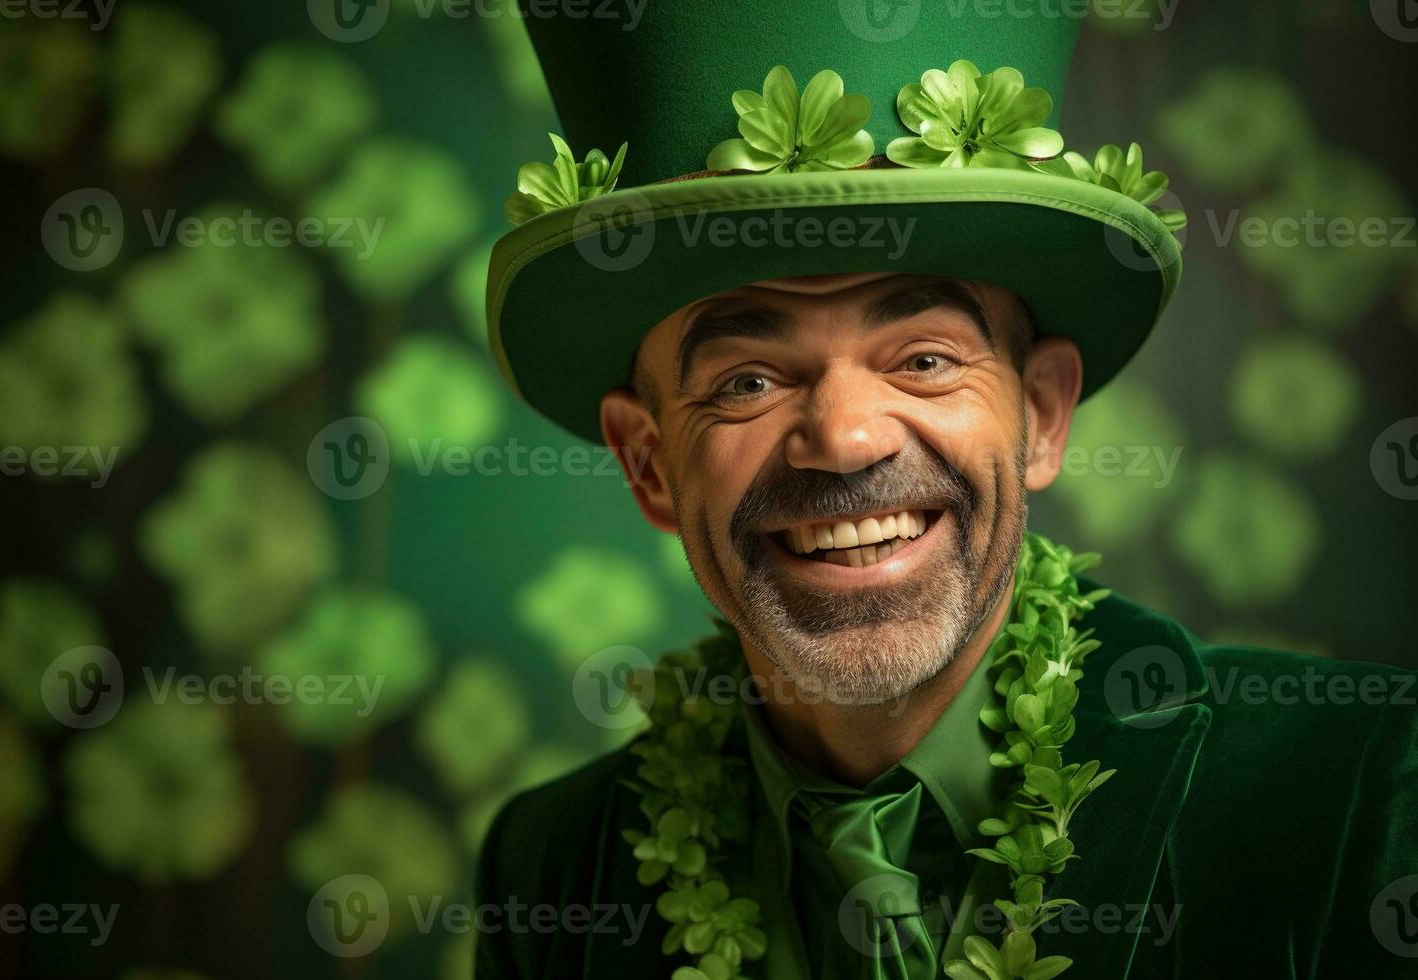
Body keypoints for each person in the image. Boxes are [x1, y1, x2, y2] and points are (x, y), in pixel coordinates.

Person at [474, 4, 1418, 977]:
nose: (843, 440)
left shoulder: (1358, 789)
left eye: (923, 357)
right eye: (747, 379)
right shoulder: (551, 870)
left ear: (1043, 414)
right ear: (649, 463)